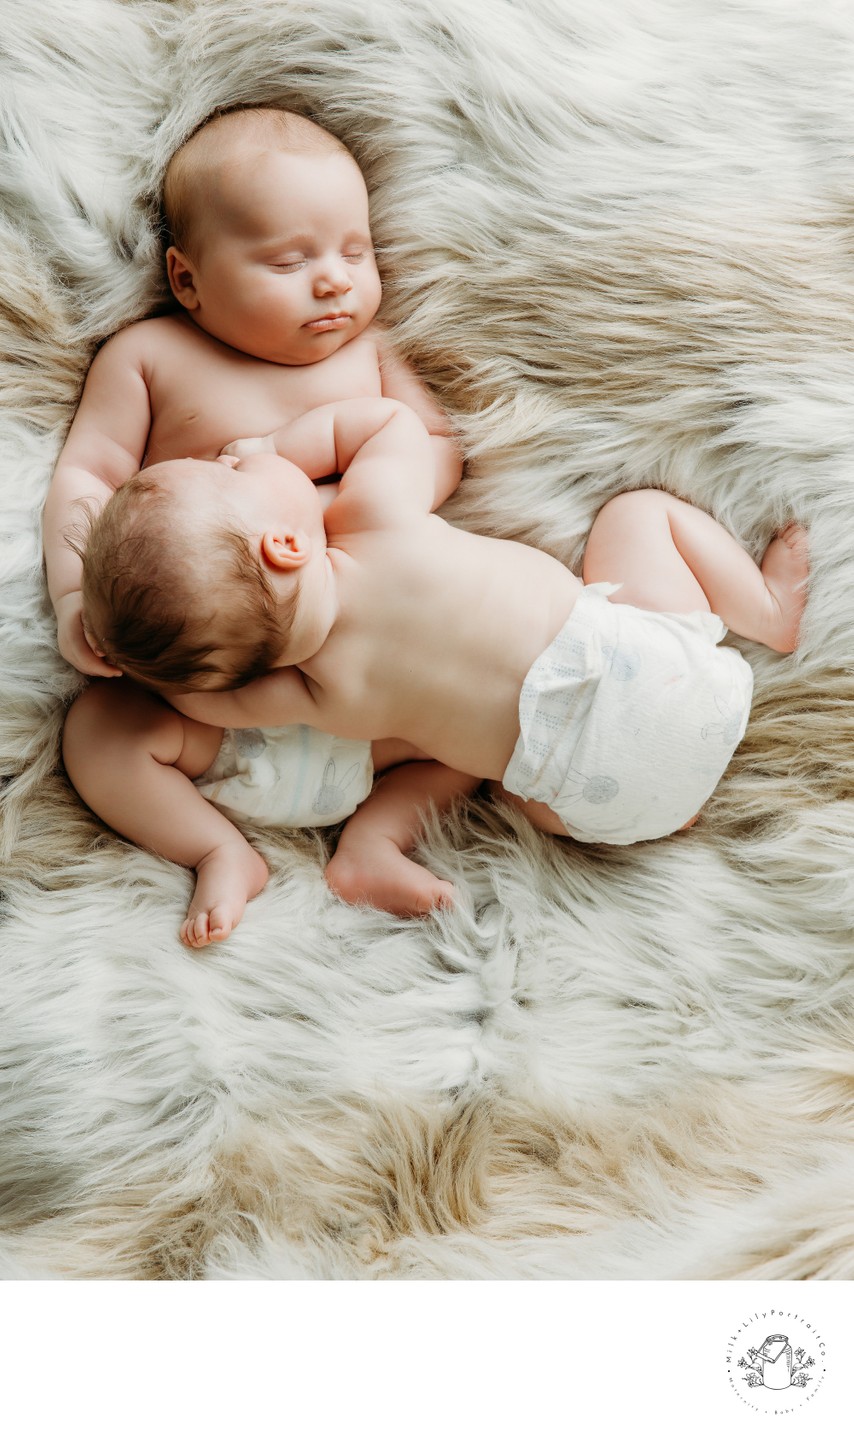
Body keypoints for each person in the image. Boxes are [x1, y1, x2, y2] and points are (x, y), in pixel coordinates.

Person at [73, 396, 809, 945]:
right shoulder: (373, 514)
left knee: (478, 765)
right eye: (229, 472)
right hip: (667, 686)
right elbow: (386, 425)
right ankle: (767, 611)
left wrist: (137, 657)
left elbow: (202, 703)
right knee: (637, 515)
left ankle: (661, 805)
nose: (231, 456)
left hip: (607, 809)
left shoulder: (315, 696)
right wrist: (275, 443)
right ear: (286, 546)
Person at [43, 106, 469, 943]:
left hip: (372, 703)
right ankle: (219, 851)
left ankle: (377, 839)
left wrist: (354, 504)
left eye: (357, 250)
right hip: (206, 707)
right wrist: (73, 601)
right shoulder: (149, 357)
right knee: (99, 736)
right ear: (189, 278)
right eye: (290, 259)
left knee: (482, 726)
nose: (335, 280)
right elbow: (88, 474)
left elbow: (440, 447)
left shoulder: (371, 355)